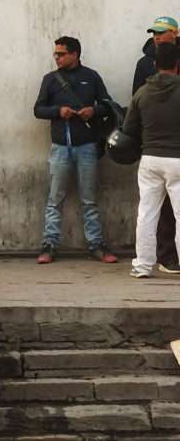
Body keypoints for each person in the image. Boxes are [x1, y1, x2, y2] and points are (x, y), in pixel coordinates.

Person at [32, 36, 118, 265]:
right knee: (54, 199)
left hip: (87, 146)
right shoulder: (50, 80)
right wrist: (58, 112)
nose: (57, 57)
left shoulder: (91, 77)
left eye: (61, 54)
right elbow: (38, 109)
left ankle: (96, 245)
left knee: (89, 200)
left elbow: (109, 104)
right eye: (55, 54)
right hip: (60, 147)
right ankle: (49, 245)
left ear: (75, 54)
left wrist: (94, 110)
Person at [123, 43, 180, 278]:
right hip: (178, 159)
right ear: (178, 65)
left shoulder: (142, 93)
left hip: (150, 160)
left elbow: (128, 129)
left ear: (155, 65)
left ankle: (142, 266)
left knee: (146, 213)